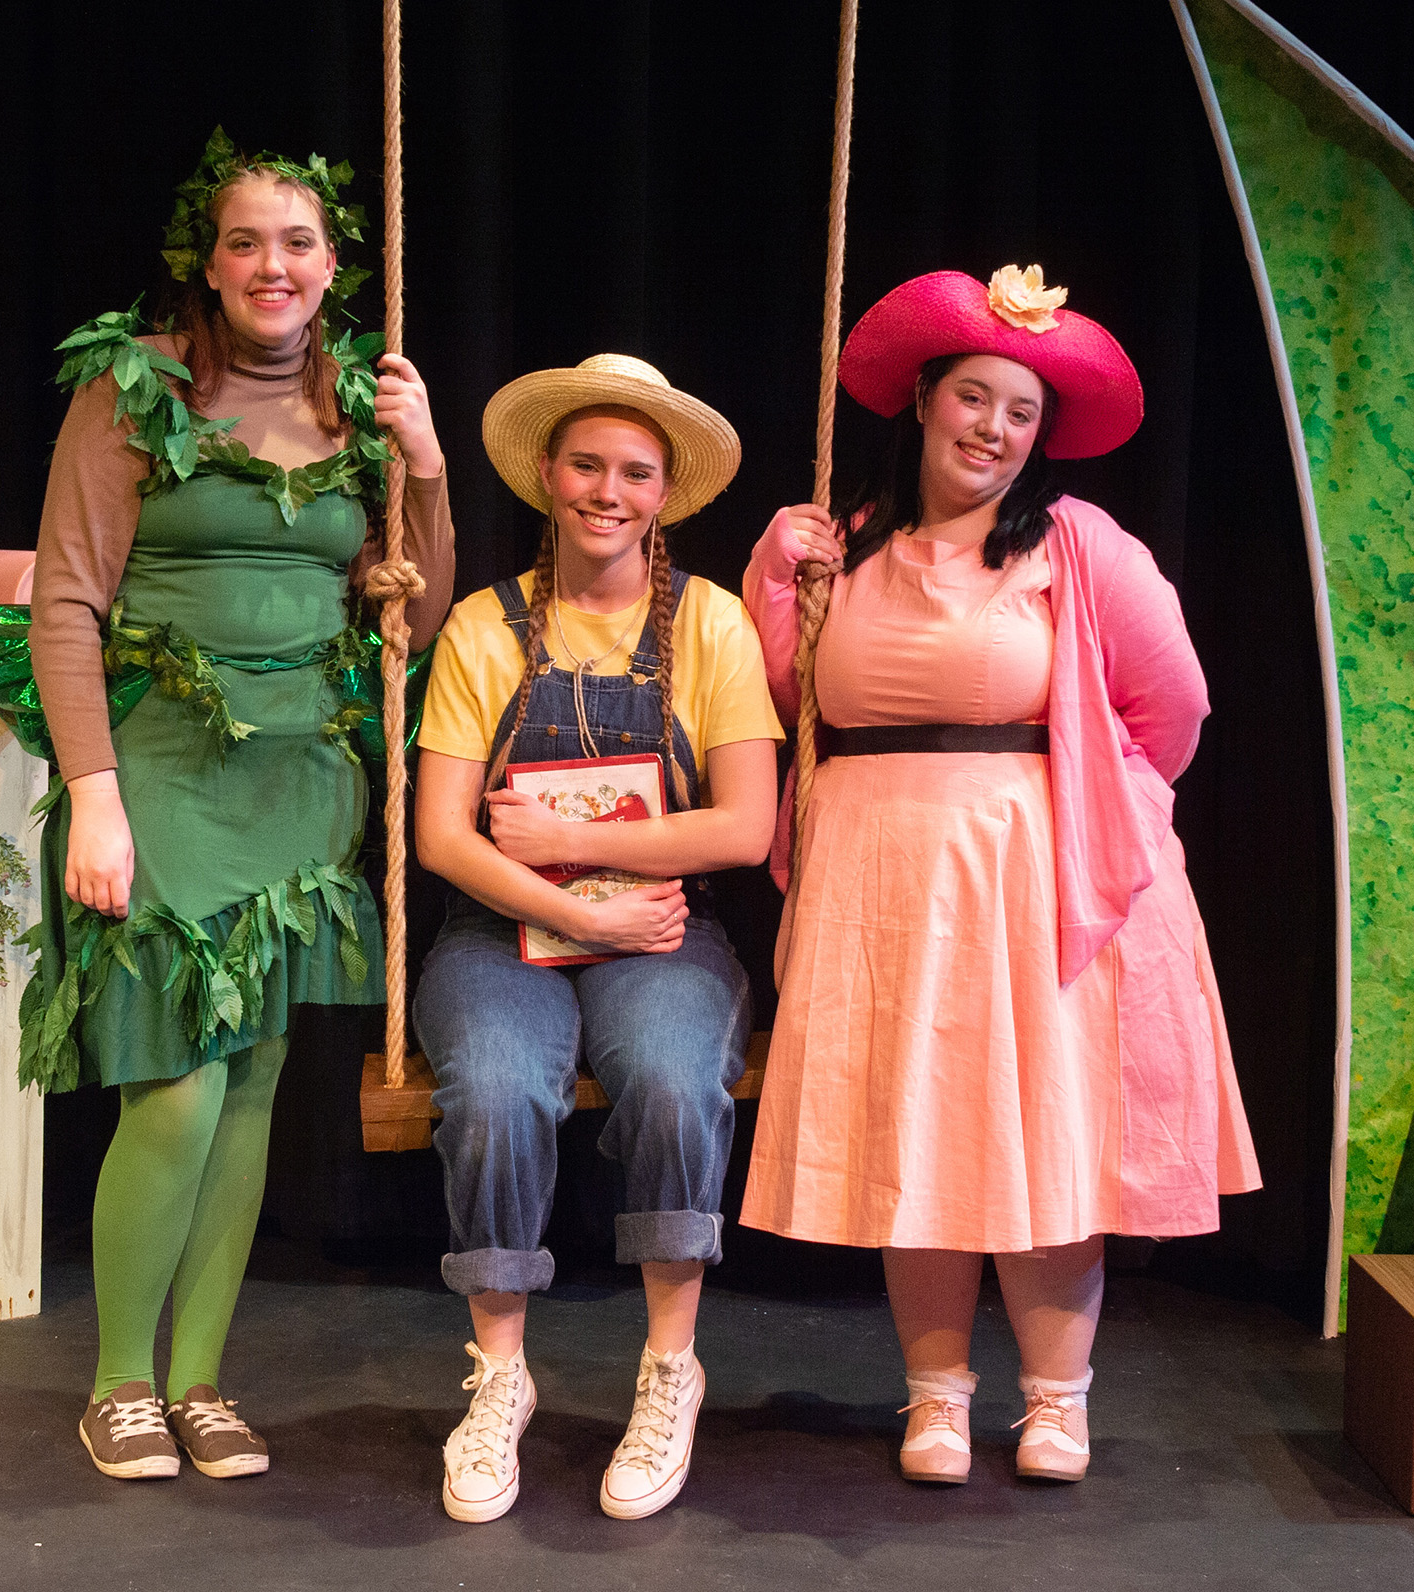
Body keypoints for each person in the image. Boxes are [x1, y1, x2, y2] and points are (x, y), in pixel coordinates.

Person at [738, 266, 1260, 1485]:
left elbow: (1171, 702)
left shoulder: (1076, 547)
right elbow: (782, 704)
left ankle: (1055, 1398)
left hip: (1032, 870)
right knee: (914, 1128)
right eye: (973, 398)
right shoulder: (848, 546)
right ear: (923, 402)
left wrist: (1100, 801)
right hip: (877, 870)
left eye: (1019, 413)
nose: (993, 429)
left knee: (1044, 1130)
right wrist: (774, 573)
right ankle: (934, 1395)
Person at [4, 127, 455, 1482]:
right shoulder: (133, 392)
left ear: (334, 265)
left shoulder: (362, 404)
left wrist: (423, 466)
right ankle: (120, 1381)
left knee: (253, 1084)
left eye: (300, 242)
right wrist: (93, 793)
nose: (275, 264)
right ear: (208, 257)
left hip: (302, 772)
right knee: (181, 1089)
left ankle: (201, 1379)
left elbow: (413, 616)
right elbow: (66, 602)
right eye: (249, 239)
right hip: (164, 767)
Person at [409, 355, 783, 1522]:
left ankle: (670, 1367)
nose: (606, 491)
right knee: (497, 1086)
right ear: (545, 474)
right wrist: (574, 905)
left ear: (663, 493)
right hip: (502, 925)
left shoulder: (711, 625)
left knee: (676, 1081)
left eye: (634, 471)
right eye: (586, 464)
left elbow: (746, 823)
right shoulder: (482, 627)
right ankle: (502, 1376)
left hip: (664, 931)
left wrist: (567, 854)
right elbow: (440, 835)